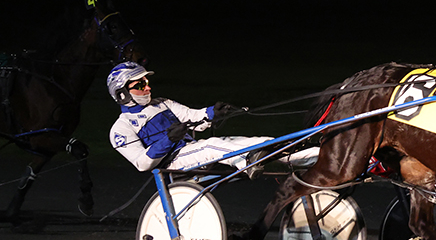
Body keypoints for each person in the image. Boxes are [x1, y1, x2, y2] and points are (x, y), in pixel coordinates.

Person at [106, 62, 313, 173]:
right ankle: (246, 160)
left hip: (191, 151)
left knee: (256, 140)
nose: (148, 87)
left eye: (146, 81)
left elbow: (193, 116)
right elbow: (142, 164)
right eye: (140, 84)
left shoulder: (162, 103)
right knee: (212, 145)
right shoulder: (120, 129)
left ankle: (311, 156)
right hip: (173, 163)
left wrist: (214, 111)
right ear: (122, 93)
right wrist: (169, 139)